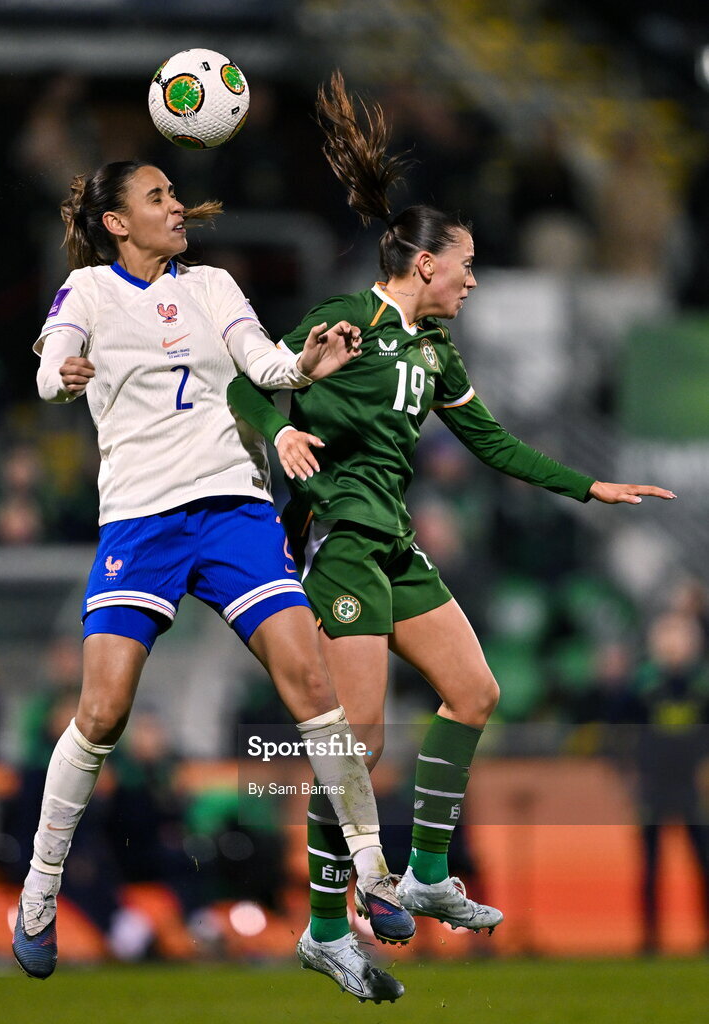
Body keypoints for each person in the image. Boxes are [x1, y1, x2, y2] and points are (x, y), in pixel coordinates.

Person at [227, 71, 677, 999]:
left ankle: (426, 872)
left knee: (475, 691)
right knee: (355, 738)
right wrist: (279, 428)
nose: (473, 277)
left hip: (395, 540)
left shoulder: (435, 352)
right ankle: (321, 929)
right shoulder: (341, 322)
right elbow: (249, 381)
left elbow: (494, 443)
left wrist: (589, 485)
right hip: (341, 540)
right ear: (423, 263)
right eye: (465, 263)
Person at [11, 158, 414, 997]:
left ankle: (375, 871)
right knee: (102, 711)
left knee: (310, 679)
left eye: (172, 193)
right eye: (156, 197)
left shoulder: (216, 286)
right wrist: (63, 379)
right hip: (141, 520)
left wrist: (308, 361)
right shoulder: (88, 290)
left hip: (232, 507)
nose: (175, 206)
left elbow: (264, 369)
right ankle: (40, 892)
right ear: (117, 222)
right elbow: (52, 362)